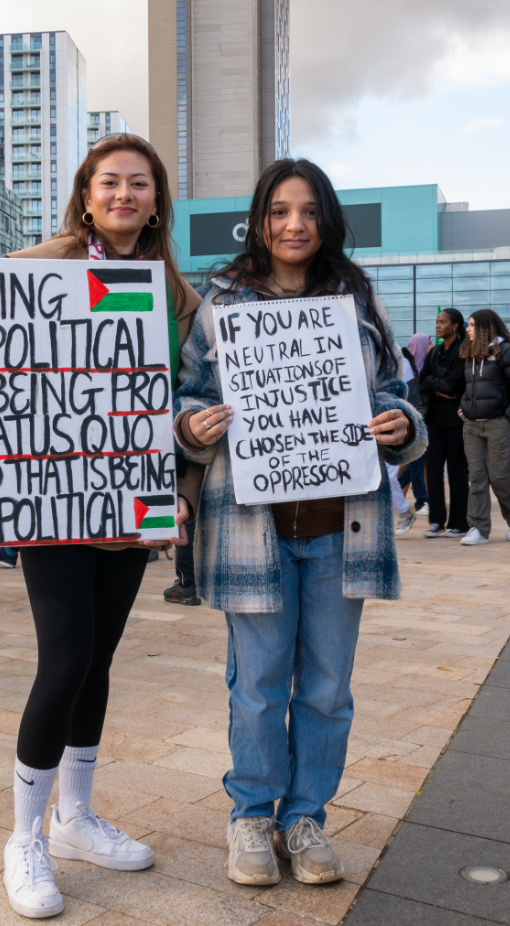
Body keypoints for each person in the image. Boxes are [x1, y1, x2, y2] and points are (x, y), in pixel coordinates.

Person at [0, 133, 202, 920]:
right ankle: (24, 837)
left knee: (99, 662)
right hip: (50, 502)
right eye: (110, 182)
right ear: (85, 195)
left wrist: (175, 488)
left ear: (156, 201)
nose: (124, 195)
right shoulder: (29, 270)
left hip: (124, 503)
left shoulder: (174, 293)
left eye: (138, 184)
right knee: (66, 656)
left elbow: (174, 408)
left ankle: (75, 818)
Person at [174, 157, 426, 888]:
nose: (294, 224)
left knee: (325, 688)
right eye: (280, 210)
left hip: (339, 529)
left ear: (327, 221)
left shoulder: (354, 299)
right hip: (251, 529)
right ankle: (250, 815)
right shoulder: (219, 302)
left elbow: (395, 396)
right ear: (258, 219)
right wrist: (193, 425)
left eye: (308, 211)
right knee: (255, 683)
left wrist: (397, 423)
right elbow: (182, 398)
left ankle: (304, 815)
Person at [458, 309, 510, 545]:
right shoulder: (471, 352)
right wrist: (463, 407)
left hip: (498, 424)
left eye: (471, 325)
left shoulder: (505, 350)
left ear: (485, 327)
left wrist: (505, 417)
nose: (467, 329)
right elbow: (467, 386)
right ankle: (478, 528)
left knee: (501, 477)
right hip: (471, 425)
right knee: (476, 477)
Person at [419, 309, 468, 538]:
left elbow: (453, 384)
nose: (438, 326)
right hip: (435, 418)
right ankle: (437, 521)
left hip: (457, 420)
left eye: (443, 322)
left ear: (455, 325)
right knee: (434, 469)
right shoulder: (435, 351)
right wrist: (440, 386)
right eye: (437, 322)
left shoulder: (463, 351)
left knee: (457, 472)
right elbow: (422, 381)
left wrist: (437, 384)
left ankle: (460, 523)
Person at [398, 334, 431, 517]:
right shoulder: (406, 365)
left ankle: (402, 492)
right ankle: (421, 502)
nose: (431, 346)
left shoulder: (422, 365)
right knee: (417, 461)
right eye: (428, 343)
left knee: (417, 461)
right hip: (413, 420)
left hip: (424, 419)